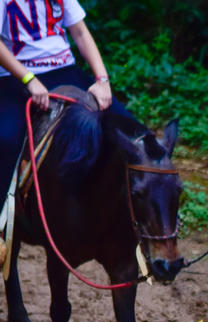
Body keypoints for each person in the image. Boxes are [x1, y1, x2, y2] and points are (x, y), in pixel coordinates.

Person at [0, 0, 127, 254]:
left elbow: (80, 31)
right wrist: (29, 79)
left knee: (127, 128)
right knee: (6, 138)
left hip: (65, 70)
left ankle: (136, 218)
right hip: (16, 76)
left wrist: (102, 79)